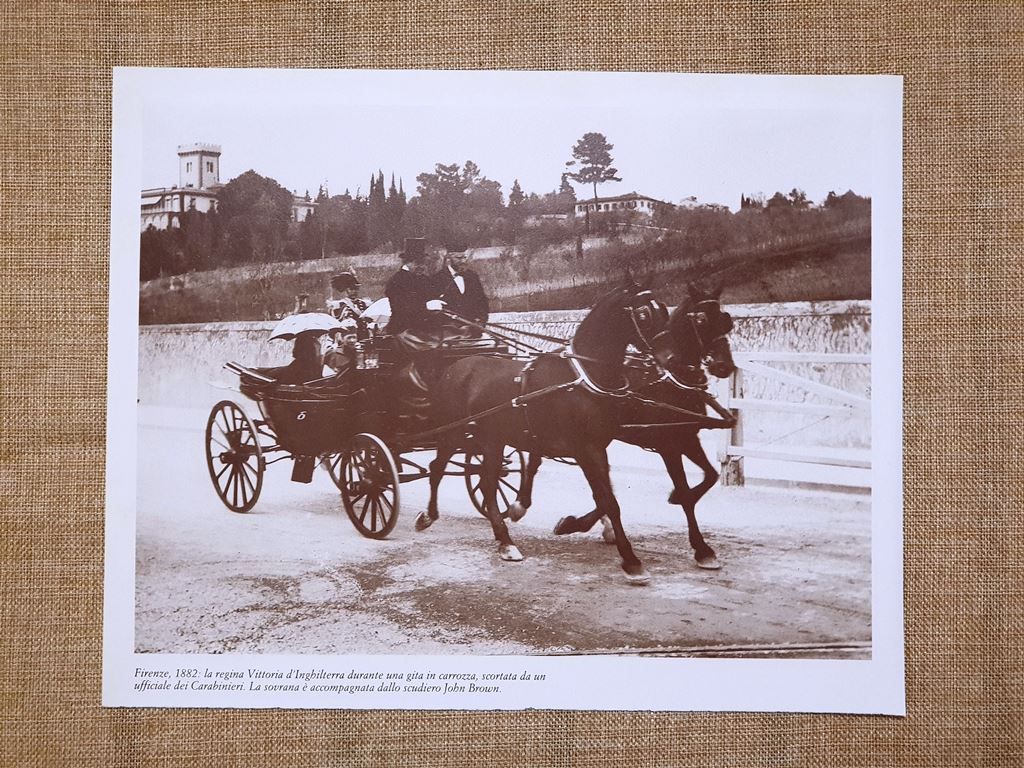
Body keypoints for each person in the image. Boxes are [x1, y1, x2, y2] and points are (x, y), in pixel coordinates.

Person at [384, 238, 450, 336]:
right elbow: (402, 310)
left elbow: (433, 294)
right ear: (407, 262)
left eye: (423, 263)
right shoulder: (396, 281)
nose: (422, 267)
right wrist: (426, 306)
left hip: (424, 331)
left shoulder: (423, 278)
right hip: (403, 332)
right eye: (418, 263)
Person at [439, 249, 489, 330]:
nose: (463, 261)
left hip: (472, 329)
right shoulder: (438, 278)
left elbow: (482, 301)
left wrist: (482, 320)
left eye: (464, 257)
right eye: (458, 258)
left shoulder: (472, 276)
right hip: (449, 332)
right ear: (449, 258)